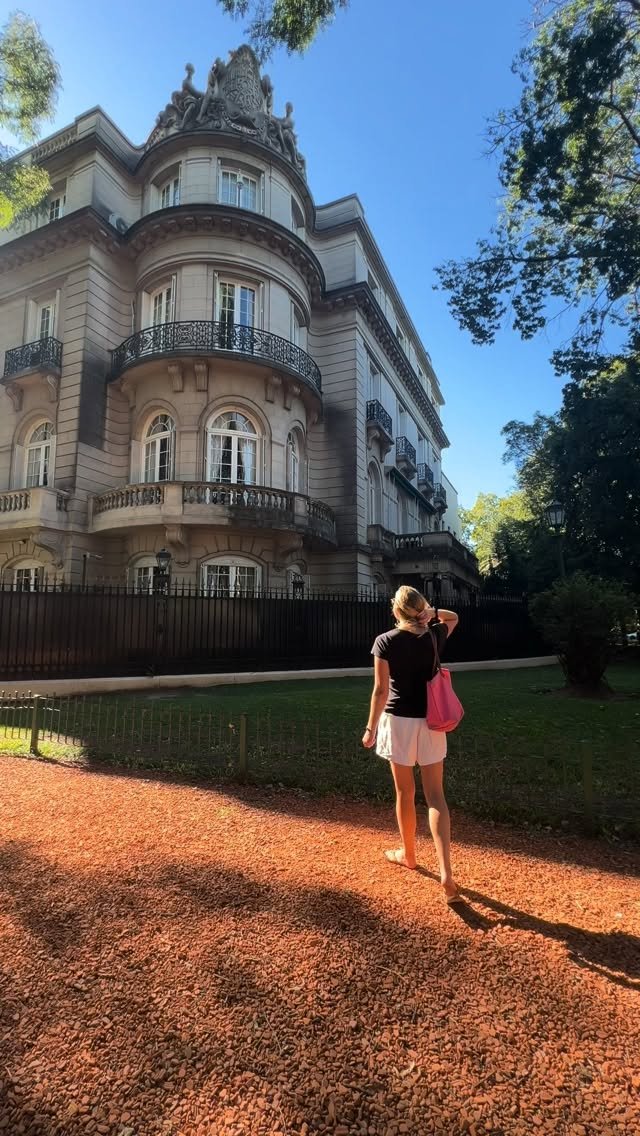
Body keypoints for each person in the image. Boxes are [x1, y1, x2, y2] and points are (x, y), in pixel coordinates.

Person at [363, 584, 461, 903]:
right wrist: (430, 613)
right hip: (432, 721)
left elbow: (380, 691)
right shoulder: (434, 635)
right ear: (421, 608)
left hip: (399, 722)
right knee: (436, 797)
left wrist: (370, 728)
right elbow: (454, 617)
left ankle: (408, 855)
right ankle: (446, 874)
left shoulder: (385, 641)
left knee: (405, 793)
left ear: (396, 609)